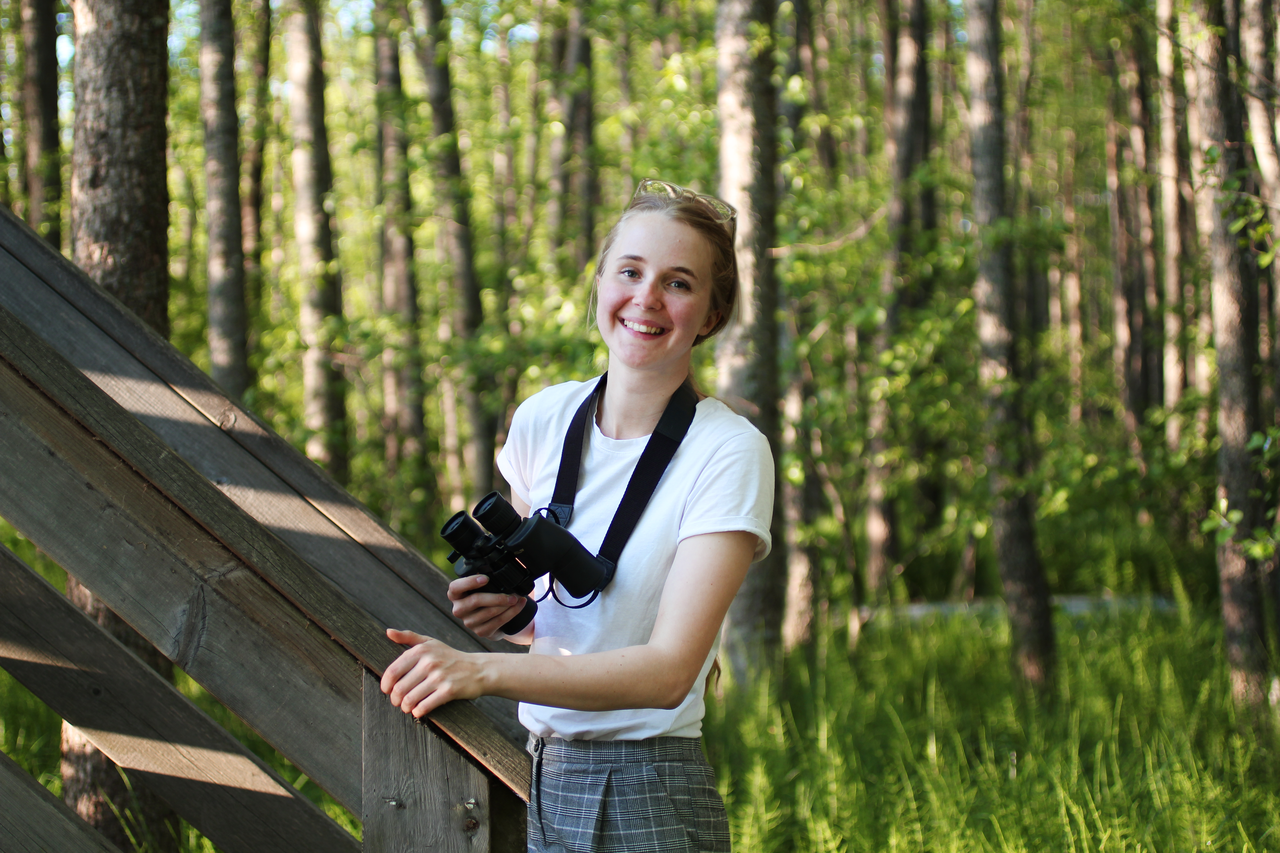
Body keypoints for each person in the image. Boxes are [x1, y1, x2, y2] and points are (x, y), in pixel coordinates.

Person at [381, 178, 775, 853]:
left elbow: (667, 671)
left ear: (710, 315)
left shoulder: (729, 450)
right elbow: (571, 628)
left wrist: (479, 670)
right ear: (600, 283)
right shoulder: (544, 419)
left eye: (678, 283)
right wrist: (511, 619)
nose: (646, 298)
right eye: (630, 271)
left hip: (649, 781)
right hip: (546, 769)